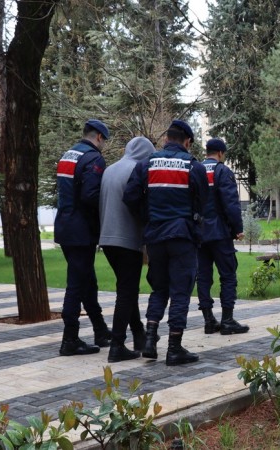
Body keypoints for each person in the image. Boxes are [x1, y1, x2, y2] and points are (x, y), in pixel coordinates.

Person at [123, 120, 208, 366]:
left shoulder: (146, 164)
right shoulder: (193, 166)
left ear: (165, 139)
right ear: (187, 141)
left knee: (159, 289)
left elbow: (130, 196)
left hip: (156, 238)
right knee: (180, 291)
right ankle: (174, 348)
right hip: (182, 236)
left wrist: (149, 217)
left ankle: (149, 342)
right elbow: (202, 203)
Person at [54, 119, 112, 356]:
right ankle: (70, 338)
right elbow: (91, 195)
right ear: (98, 136)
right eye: (104, 141)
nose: (104, 146)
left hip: (66, 226)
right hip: (81, 230)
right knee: (77, 284)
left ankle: (100, 330)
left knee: (87, 281)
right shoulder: (93, 158)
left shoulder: (68, 155)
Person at [99, 137, 155, 362]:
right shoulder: (137, 169)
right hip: (127, 238)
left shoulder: (110, 169)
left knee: (127, 288)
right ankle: (118, 345)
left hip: (107, 238)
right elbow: (138, 204)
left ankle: (139, 335)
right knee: (126, 292)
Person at [196, 138, 249, 335]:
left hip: (199, 233)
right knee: (227, 275)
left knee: (203, 277)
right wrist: (238, 228)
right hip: (219, 233)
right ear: (220, 153)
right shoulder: (222, 171)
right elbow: (231, 203)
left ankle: (209, 320)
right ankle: (227, 320)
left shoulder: (196, 169)